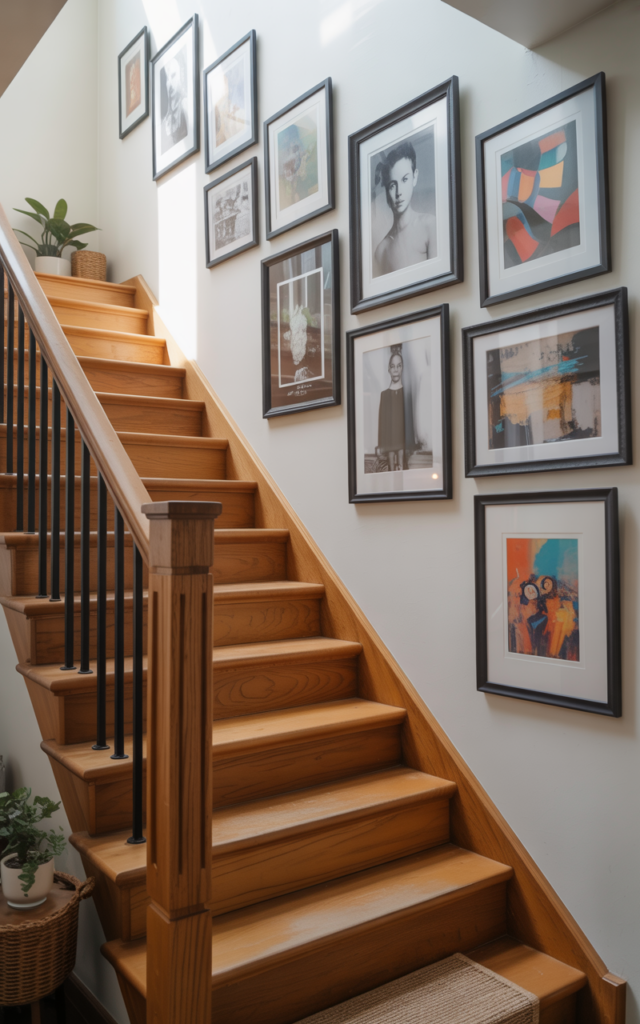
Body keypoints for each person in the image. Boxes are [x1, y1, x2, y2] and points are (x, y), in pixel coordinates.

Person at [373, 141, 436, 278]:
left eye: (404, 180)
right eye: (392, 185)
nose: (399, 192)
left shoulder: (429, 226)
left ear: (415, 177)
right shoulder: (381, 250)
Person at [377, 349, 406, 471]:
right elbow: (382, 422)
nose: (395, 370)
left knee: (402, 466)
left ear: (402, 368)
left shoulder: (406, 393)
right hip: (389, 443)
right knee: (392, 469)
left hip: (403, 444)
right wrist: (381, 445)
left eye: (399, 366)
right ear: (389, 369)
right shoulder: (384, 395)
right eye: (393, 366)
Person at [161, 56, 188, 154]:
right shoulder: (164, 124)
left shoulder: (186, 108)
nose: (170, 84)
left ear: (180, 76)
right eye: (167, 79)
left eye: (173, 76)